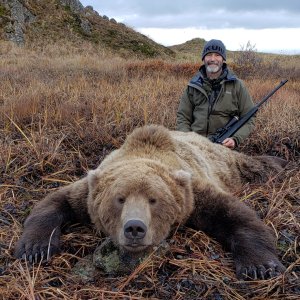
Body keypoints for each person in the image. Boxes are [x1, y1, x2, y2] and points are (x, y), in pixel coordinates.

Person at [176, 39, 255, 149]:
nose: (213, 59)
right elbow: (183, 117)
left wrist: (235, 139)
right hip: (195, 147)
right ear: (203, 58)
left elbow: (249, 118)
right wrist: (187, 141)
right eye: (209, 55)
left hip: (223, 148)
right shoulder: (192, 86)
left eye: (217, 55)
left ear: (223, 59)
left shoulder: (237, 86)